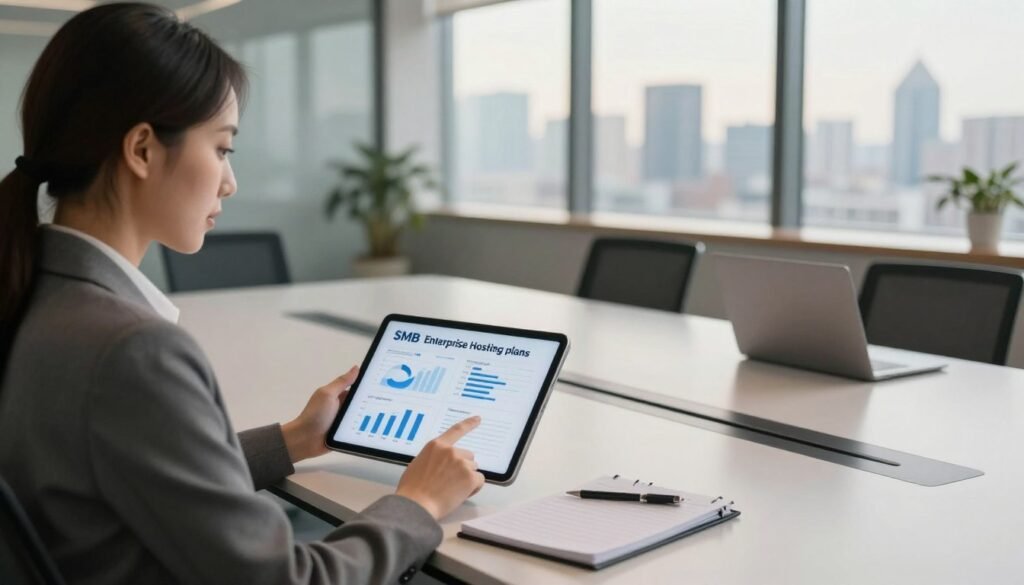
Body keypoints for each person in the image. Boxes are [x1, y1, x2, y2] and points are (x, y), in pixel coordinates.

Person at [0, 3, 484, 584]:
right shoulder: (133, 351)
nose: (230, 181)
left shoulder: (32, 293)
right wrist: (418, 504)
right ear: (143, 149)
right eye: (223, 148)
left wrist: (293, 440)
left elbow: (124, 465)